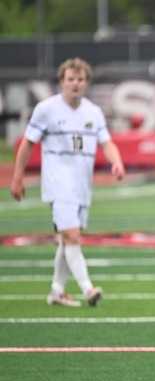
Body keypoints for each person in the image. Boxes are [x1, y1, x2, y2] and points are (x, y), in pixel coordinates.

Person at [10, 57, 125, 307]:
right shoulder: (46, 109)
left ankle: (56, 290)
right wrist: (17, 177)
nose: (75, 83)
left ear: (86, 83)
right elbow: (27, 143)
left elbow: (106, 142)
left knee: (67, 238)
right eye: (70, 79)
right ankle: (88, 289)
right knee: (72, 236)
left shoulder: (93, 112)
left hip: (82, 186)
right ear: (62, 81)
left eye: (80, 79)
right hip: (58, 185)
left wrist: (116, 161)